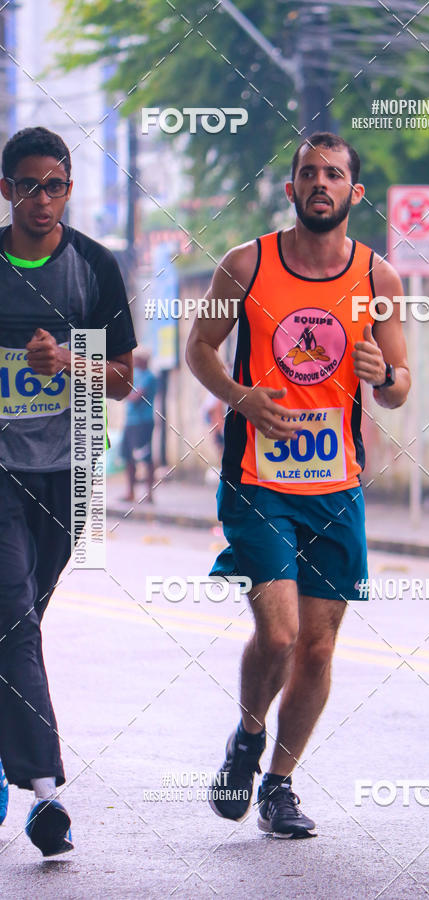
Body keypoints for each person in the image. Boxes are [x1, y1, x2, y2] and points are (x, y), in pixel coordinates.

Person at [186, 132, 411, 838]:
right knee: (279, 635)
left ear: (354, 193)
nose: (321, 183)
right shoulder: (247, 264)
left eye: (334, 174)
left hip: (336, 483)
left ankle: (279, 784)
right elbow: (198, 348)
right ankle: (248, 735)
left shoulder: (379, 279)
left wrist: (385, 376)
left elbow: (399, 387)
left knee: (318, 647)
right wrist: (242, 397)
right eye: (308, 173)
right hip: (258, 477)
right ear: (291, 189)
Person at [0, 126, 136, 855]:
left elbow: (123, 379)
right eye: (27, 185)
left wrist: (70, 362)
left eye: (54, 185)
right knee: (12, 620)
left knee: (17, 624)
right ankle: (47, 794)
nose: (41, 199)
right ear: (5, 190)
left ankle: (7, 757)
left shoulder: (93, 267)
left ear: (70, 189)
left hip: (66, 471)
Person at [121, 346, 157, 503]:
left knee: (145, 457)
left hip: (143, 422)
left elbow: (136, 397)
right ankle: (131, 492)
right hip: (130, 421)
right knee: (128, 457)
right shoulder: (135, 376)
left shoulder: (150, 377)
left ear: (143, 360)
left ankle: (149, 494)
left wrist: (122, 391)